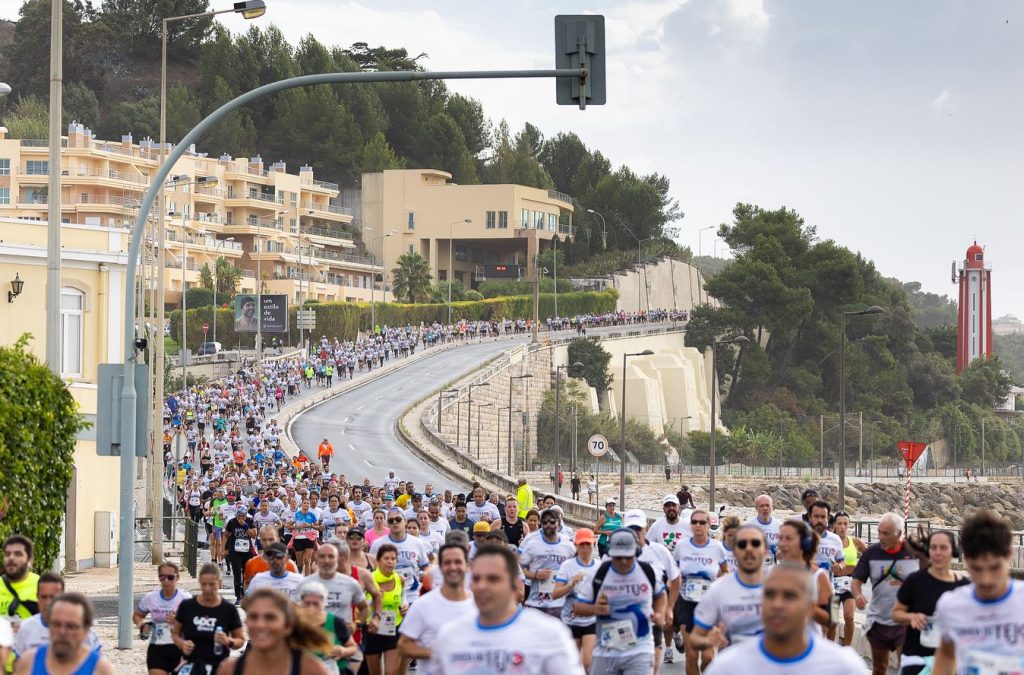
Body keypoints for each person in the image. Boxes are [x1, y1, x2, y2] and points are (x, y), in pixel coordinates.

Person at [432, 545, 585, 675]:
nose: (482, 586)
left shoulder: (550, 633)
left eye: (493, 579)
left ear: (513, 584)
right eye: (477, 578)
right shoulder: (449, 635)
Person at [703, 563, 869, 675]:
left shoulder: (846, 667)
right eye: (769, 595)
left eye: (789, 596)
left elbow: (832, 618)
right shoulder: (727, 666)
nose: (777, 604)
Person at [933, 510, 1024, 675]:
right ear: (966, 559)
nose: (986, 580)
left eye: (994, 567)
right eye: (976, 568)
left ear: (1009, 555)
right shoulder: (950, 606)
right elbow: (946, 653)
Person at [575, 529, 667, 675]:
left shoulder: (648, 571)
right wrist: (595, 609)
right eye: (618, 557)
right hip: (606, 650)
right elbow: (578, 608)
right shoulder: (599, 574)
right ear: (611, 554)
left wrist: (660, 613)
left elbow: (660, 595)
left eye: (628, 556)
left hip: (640, 648)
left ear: (636, 553)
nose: (623, 561)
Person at [892, 530, 969, 675]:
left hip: (953, 660)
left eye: (943, 548)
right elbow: (896, 614)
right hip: (917, 658)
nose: (938, 553)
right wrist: (911, 617)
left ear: (953, 551)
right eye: (934, 548)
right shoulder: (915, 581)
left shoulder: (964, 587)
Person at [852, 512, 919, 675]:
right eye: (879, 531)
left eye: (886, 533)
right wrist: (857, 595)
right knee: (879, 667)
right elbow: (856, 580)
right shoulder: (872, 553)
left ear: (899, 534)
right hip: (878, 620)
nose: (880, 537)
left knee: (906, 667)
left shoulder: (914, 553)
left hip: (905, 621)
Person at [398, 544, 477, 674]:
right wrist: (438, 653)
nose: (453, 567)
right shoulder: (422, 605)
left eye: (458, 562)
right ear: (439, 567)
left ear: (467, 566)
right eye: (447, 562)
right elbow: (403, 646)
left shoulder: (479, 606)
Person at [217, 587, 331, 675]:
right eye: (253, 616)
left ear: (288, 625)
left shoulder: (310, 669)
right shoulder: (230, 669)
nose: (260, 624)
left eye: (270, 617)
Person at [691, 524, 766, 653]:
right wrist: (709, 641)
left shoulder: (781, 586)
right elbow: (695, 638)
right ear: (734, 551)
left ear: (765, 549)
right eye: (742, 544)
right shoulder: (718, 590)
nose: (749, 549)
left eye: (755, 543)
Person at [622, 509, 680, 670]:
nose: (634, 534)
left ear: (645, 529)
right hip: (622, 618)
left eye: (638, 529)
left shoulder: (659, 551)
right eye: (630, 529)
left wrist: (668, 609)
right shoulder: (613, 553)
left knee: (652, 665)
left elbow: (675, 578)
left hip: (652, 615)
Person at [674, 509, 729, 675]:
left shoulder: (717, 547)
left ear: (708, 525)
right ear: (690, 525)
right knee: (691, 656)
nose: (698, 525)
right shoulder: (681, 546)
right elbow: (674, 574)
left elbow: (725, 571)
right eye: (694, 522)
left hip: (708, 605)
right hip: (686, 603)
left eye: (702, 522)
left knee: (708, 658)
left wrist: (717, 587)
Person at [12, 593, 114, 675]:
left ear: (86, 631)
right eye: (56, 624)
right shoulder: (28, 662)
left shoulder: (101, 670)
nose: (62, 632)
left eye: (71, 626)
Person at [173, 563, 244, 675]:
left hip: (219, 665)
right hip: (191, 664)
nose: (207, 588)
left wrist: (228, 641)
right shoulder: (187, 606)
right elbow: (175, 633)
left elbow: (240, 640)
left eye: (212, 584)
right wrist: (182, 644)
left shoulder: (228, 609)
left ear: (220, 583)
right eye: (204, 584)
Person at [132, 563, 191, 675]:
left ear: (177, 577)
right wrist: (142, 625)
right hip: (158, 648)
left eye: (170, 577)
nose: (166, 581)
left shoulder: (185, 598)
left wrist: (178, 621)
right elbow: (137, 615)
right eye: (162, 577)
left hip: (180, 647)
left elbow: (193, 622)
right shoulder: (151, 598)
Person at [553, 529, 599, 671]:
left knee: (588, 663)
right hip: (570, 619)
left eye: (588, 544)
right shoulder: (568, 566)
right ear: (576, 545)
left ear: (594, 544)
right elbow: (555, 594)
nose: (585, 548)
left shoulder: (599, 565)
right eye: (582, 544)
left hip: (591, 620)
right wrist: (571, 584)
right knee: (573, 664)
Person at [520, 508, 576, 617]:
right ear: (541, 524)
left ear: (558, 523)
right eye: (545, 522)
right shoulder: (532, 544)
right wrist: (535, 575)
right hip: (536, 603)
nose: (548, 524)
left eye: (552, 521)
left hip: (560, 604)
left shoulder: (568, 545)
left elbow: (576, 567)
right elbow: (517, 569)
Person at [777, 519, 832, 631]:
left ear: (804, 543)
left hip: (809, 644)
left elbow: (832, 620)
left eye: (788, 539)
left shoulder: (820, 576)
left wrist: (806, 606)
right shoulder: (771, 574)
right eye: (780, 538)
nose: (782, 543)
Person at [304, 543, 370, 636]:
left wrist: (357, 624)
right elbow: (295, 611)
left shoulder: (351, 583)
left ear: (337, 559)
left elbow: (364, 607)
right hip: (315, 639)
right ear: (316, 559)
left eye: (331, 557)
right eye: (322, 557)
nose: (326, 560)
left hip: (343, 640)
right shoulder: (305, 584)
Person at [296, 581, 359, 675]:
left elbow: (353, 647)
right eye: (307, 603)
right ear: (301, 603)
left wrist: (343, 651)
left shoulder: (335, 622)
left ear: (324, 603)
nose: (311, 608)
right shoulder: (295, 623)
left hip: (334, 669)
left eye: (315, 604)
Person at [362, 544, 406, 675]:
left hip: (393, 627)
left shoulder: (400, 579)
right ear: (379, 560)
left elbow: (402, 597)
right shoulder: (369, 578)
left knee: (391, 672)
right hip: (372, 629)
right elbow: (360, 603)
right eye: (386, 558)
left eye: (393, 558)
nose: (390, 562)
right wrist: (374, 599)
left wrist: (404, 606)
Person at [831, 511, 866, 646]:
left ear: (849, 525)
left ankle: (846, 649)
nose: (842, 527)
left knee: (849, 617)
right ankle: (830, 650)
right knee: (832, 621)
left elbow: (870, 555)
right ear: (834, 525)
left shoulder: (855, 542)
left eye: (845, 524)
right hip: (832, 585)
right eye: (839, 523)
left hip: (850, 584)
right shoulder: (828, 541)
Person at [0, 535, 40, 628]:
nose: (11, 558)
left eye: (18, 554)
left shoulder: (43, 586)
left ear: (30, 560)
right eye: (7, 554)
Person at [244, 527, 299, 591]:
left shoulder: (290, 565)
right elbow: (247, 584)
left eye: (271, 539)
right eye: (264, 540)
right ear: (260, 541)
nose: (268, 543)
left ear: (278, 539)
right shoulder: (251, 563)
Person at [224, 507, 257, 603]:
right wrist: (224, 549)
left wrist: (246, 526)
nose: (240, 518)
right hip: (235, 551)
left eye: (242, 516)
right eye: (238, 516)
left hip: (247, 551)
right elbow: (226, 534)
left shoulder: (250, 521)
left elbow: (254, 535)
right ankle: (238, 596)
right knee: (237, 572)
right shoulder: (232, 522)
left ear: (246, 515)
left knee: (246, 573)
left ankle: (245, 594)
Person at [745, 494, 782, 561]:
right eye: (761, 506)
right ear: (756, 508)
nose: (765, 508)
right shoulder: (748, 526)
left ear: (772, 507)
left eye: (767, 505)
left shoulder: (780, 525)